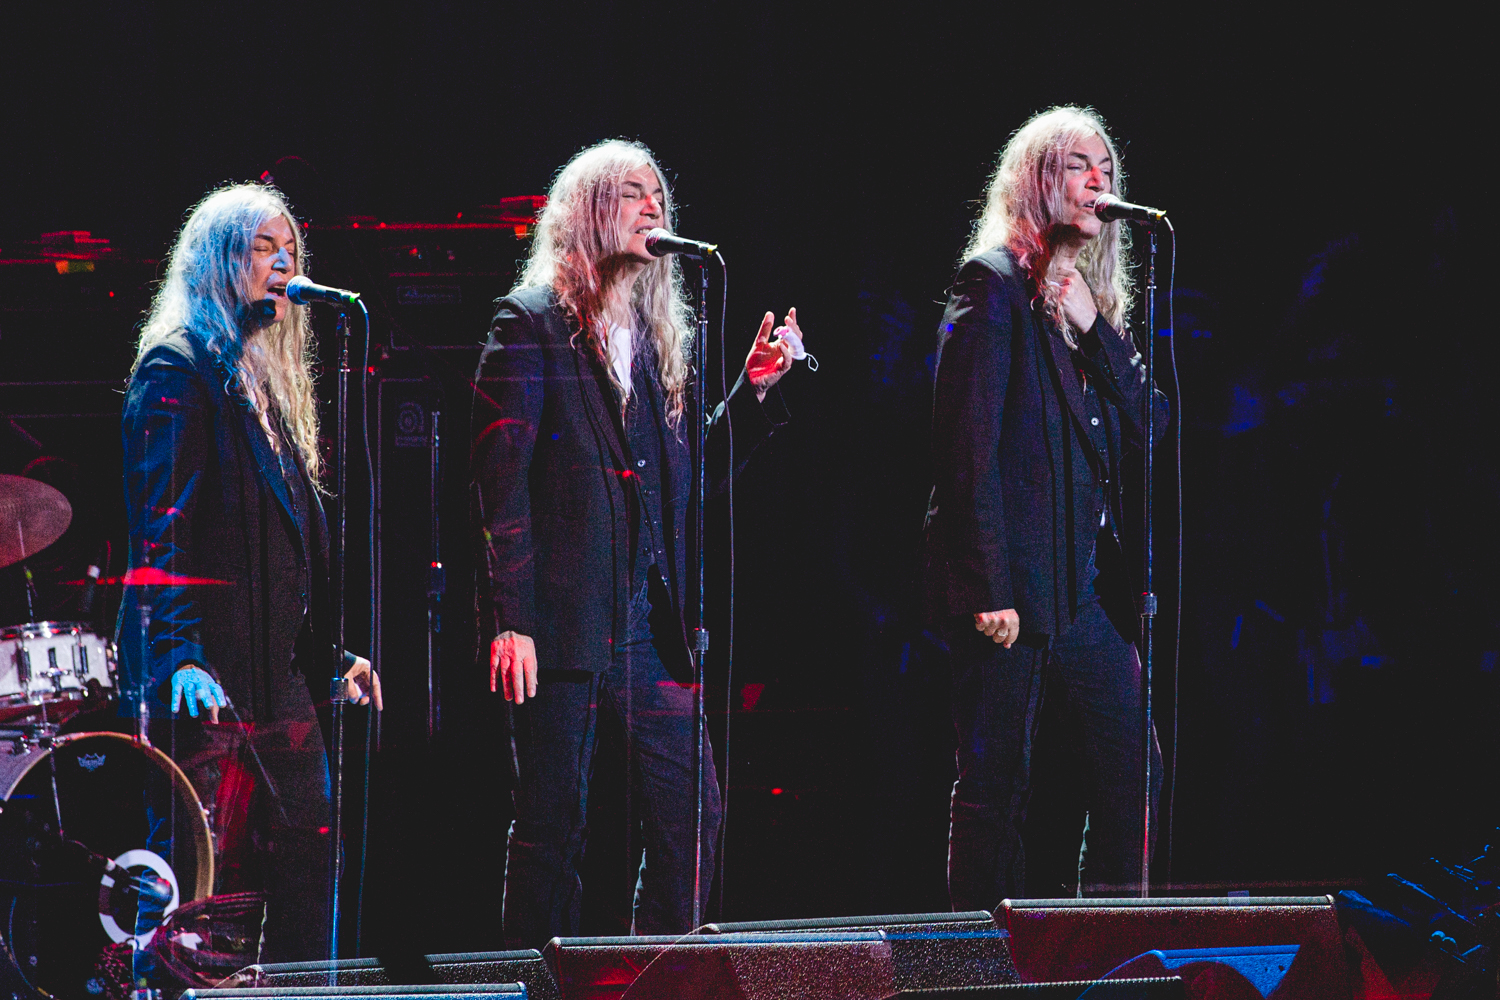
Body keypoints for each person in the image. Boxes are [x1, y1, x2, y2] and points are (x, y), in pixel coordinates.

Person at [472, 139, 804, 947]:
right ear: (587, 213)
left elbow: (685, 484)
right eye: (631, 193)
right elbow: (499, 484)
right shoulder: (530, 325)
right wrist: (510, 618)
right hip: (559, 624)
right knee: (553, 827)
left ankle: (656, 975)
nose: (653, 206)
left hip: (648, 626)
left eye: (659, 194)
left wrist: (753, 392)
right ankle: (535, 984)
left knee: (694, 809)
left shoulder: (653, 342)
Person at [120, 183, 381, 962]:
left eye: (290, 250)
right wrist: (177, 656)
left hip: (279, 681)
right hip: (206, 677)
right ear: (217, 263)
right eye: (262, 249)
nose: (282, 265)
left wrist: (327, 657)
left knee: (310, 857)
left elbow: (281, 546)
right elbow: (159, 531)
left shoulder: (267, 381)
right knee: (207, 886)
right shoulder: (177, 370)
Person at [922, 106, 1169, 905]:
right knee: (996, 784)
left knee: (1134, 761)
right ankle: (973, 964)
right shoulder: (991, 284)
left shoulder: (1088, 306)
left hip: (1076, 589)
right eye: (1077, 165)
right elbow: (967, 450)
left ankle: (1107, 942)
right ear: (1036, 181)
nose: (1098, 180)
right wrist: (986, 586)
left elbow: (1152, 423)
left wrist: (1095, 326)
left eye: (1106, 167)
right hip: (1007, 592)